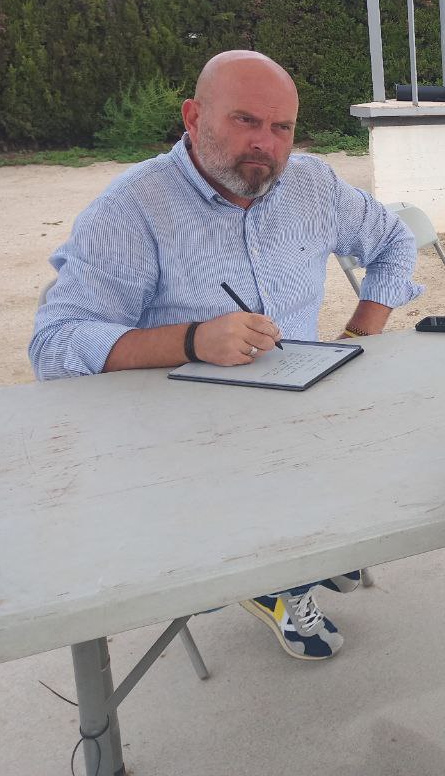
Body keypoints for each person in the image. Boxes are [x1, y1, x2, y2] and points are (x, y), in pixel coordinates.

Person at [30, 50, 423, 661]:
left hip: (305, 410)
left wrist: (359, 336)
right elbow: (55, 346)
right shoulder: (133, 207)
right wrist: (191, 339)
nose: (264, 143)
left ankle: (306, 553)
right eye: (245, 121)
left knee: (389, 452)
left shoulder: (312, 184)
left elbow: (395, 243)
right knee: (282, 492)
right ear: (193, 117)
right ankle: (273, 579)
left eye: (281, 127)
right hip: (186, 445)